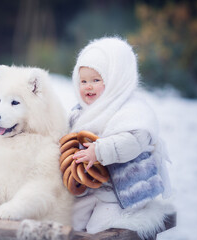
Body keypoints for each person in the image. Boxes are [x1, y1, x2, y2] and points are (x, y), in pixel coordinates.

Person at [68, 37, 173, 238]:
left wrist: (99, 151)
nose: (88, 86)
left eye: (96, 80)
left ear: (117, 79)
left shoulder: (133, 111)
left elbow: (133, 142)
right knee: (72, 221)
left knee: (99, 229)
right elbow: (68, 140)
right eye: (83, 81)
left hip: (123, 192)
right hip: (91, 188)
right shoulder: (79, 113)